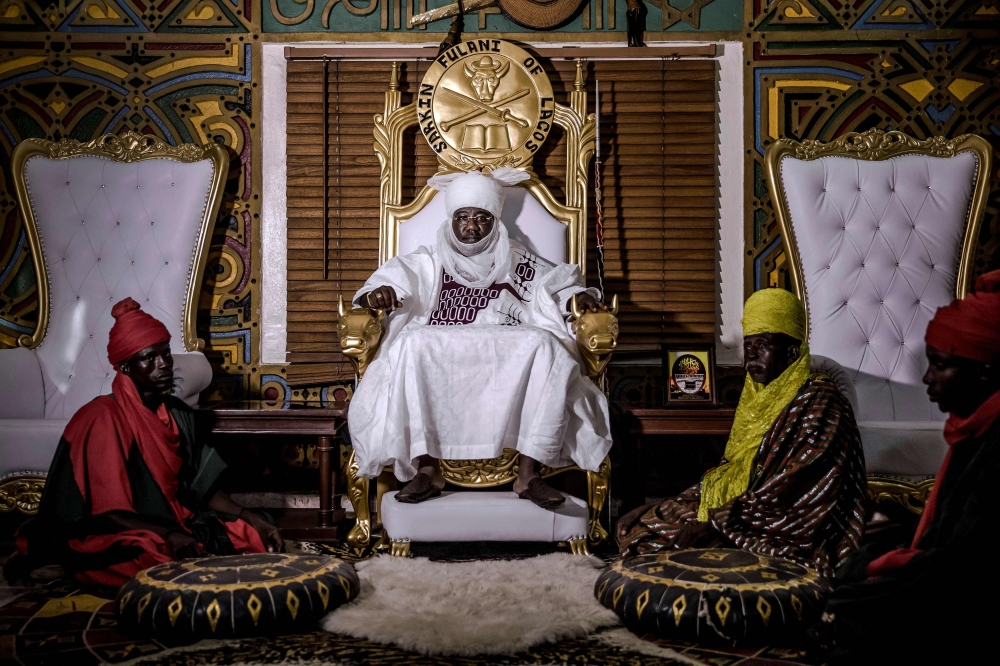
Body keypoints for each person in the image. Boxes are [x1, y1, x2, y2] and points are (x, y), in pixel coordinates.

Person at [347, 167, 613, 509]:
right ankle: (428, 469)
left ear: (495, 221)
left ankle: (528, 474)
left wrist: (577, 298)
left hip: (507, 352)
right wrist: (378, 294)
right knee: (411, 344)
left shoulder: (518, 260)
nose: (471, 226)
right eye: (463, 217)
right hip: (442, 352)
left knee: (546, 345)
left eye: (482, 218)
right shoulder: (427, 260)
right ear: (452, 220)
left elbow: (555, 287)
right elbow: (388, 283)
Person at [16, 298, 282, 587]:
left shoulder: (179, 414)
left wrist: (249, 516)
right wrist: (169, 535)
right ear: (126, 367)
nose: (163, 365)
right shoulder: (101, 417)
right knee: (154, 559)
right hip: (114, 530)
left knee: (254, 532)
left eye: (165, 354)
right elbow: (108, 514)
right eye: (149, 358)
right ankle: (71, 566)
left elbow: (201, 488)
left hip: (171, 522)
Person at [809, 269, 1000, 664]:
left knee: (849, 604)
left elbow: (965, 564)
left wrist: (881, 564)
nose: (927, 378)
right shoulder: (975, 425)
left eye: (941, 365)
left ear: (983, 371)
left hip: (973, 592)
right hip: (954, 571)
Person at [616, 288, 867, 577]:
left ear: (791, 353)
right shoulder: (759, 397)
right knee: (638, 531)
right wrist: (661, 506)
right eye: (748, 345)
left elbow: (791, 490)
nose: (751, 354)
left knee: (663, 548)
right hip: (741, 512)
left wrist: (715, 526)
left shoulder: (822, 402)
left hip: (786, 527)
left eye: (763, 344)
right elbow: (729, 474)